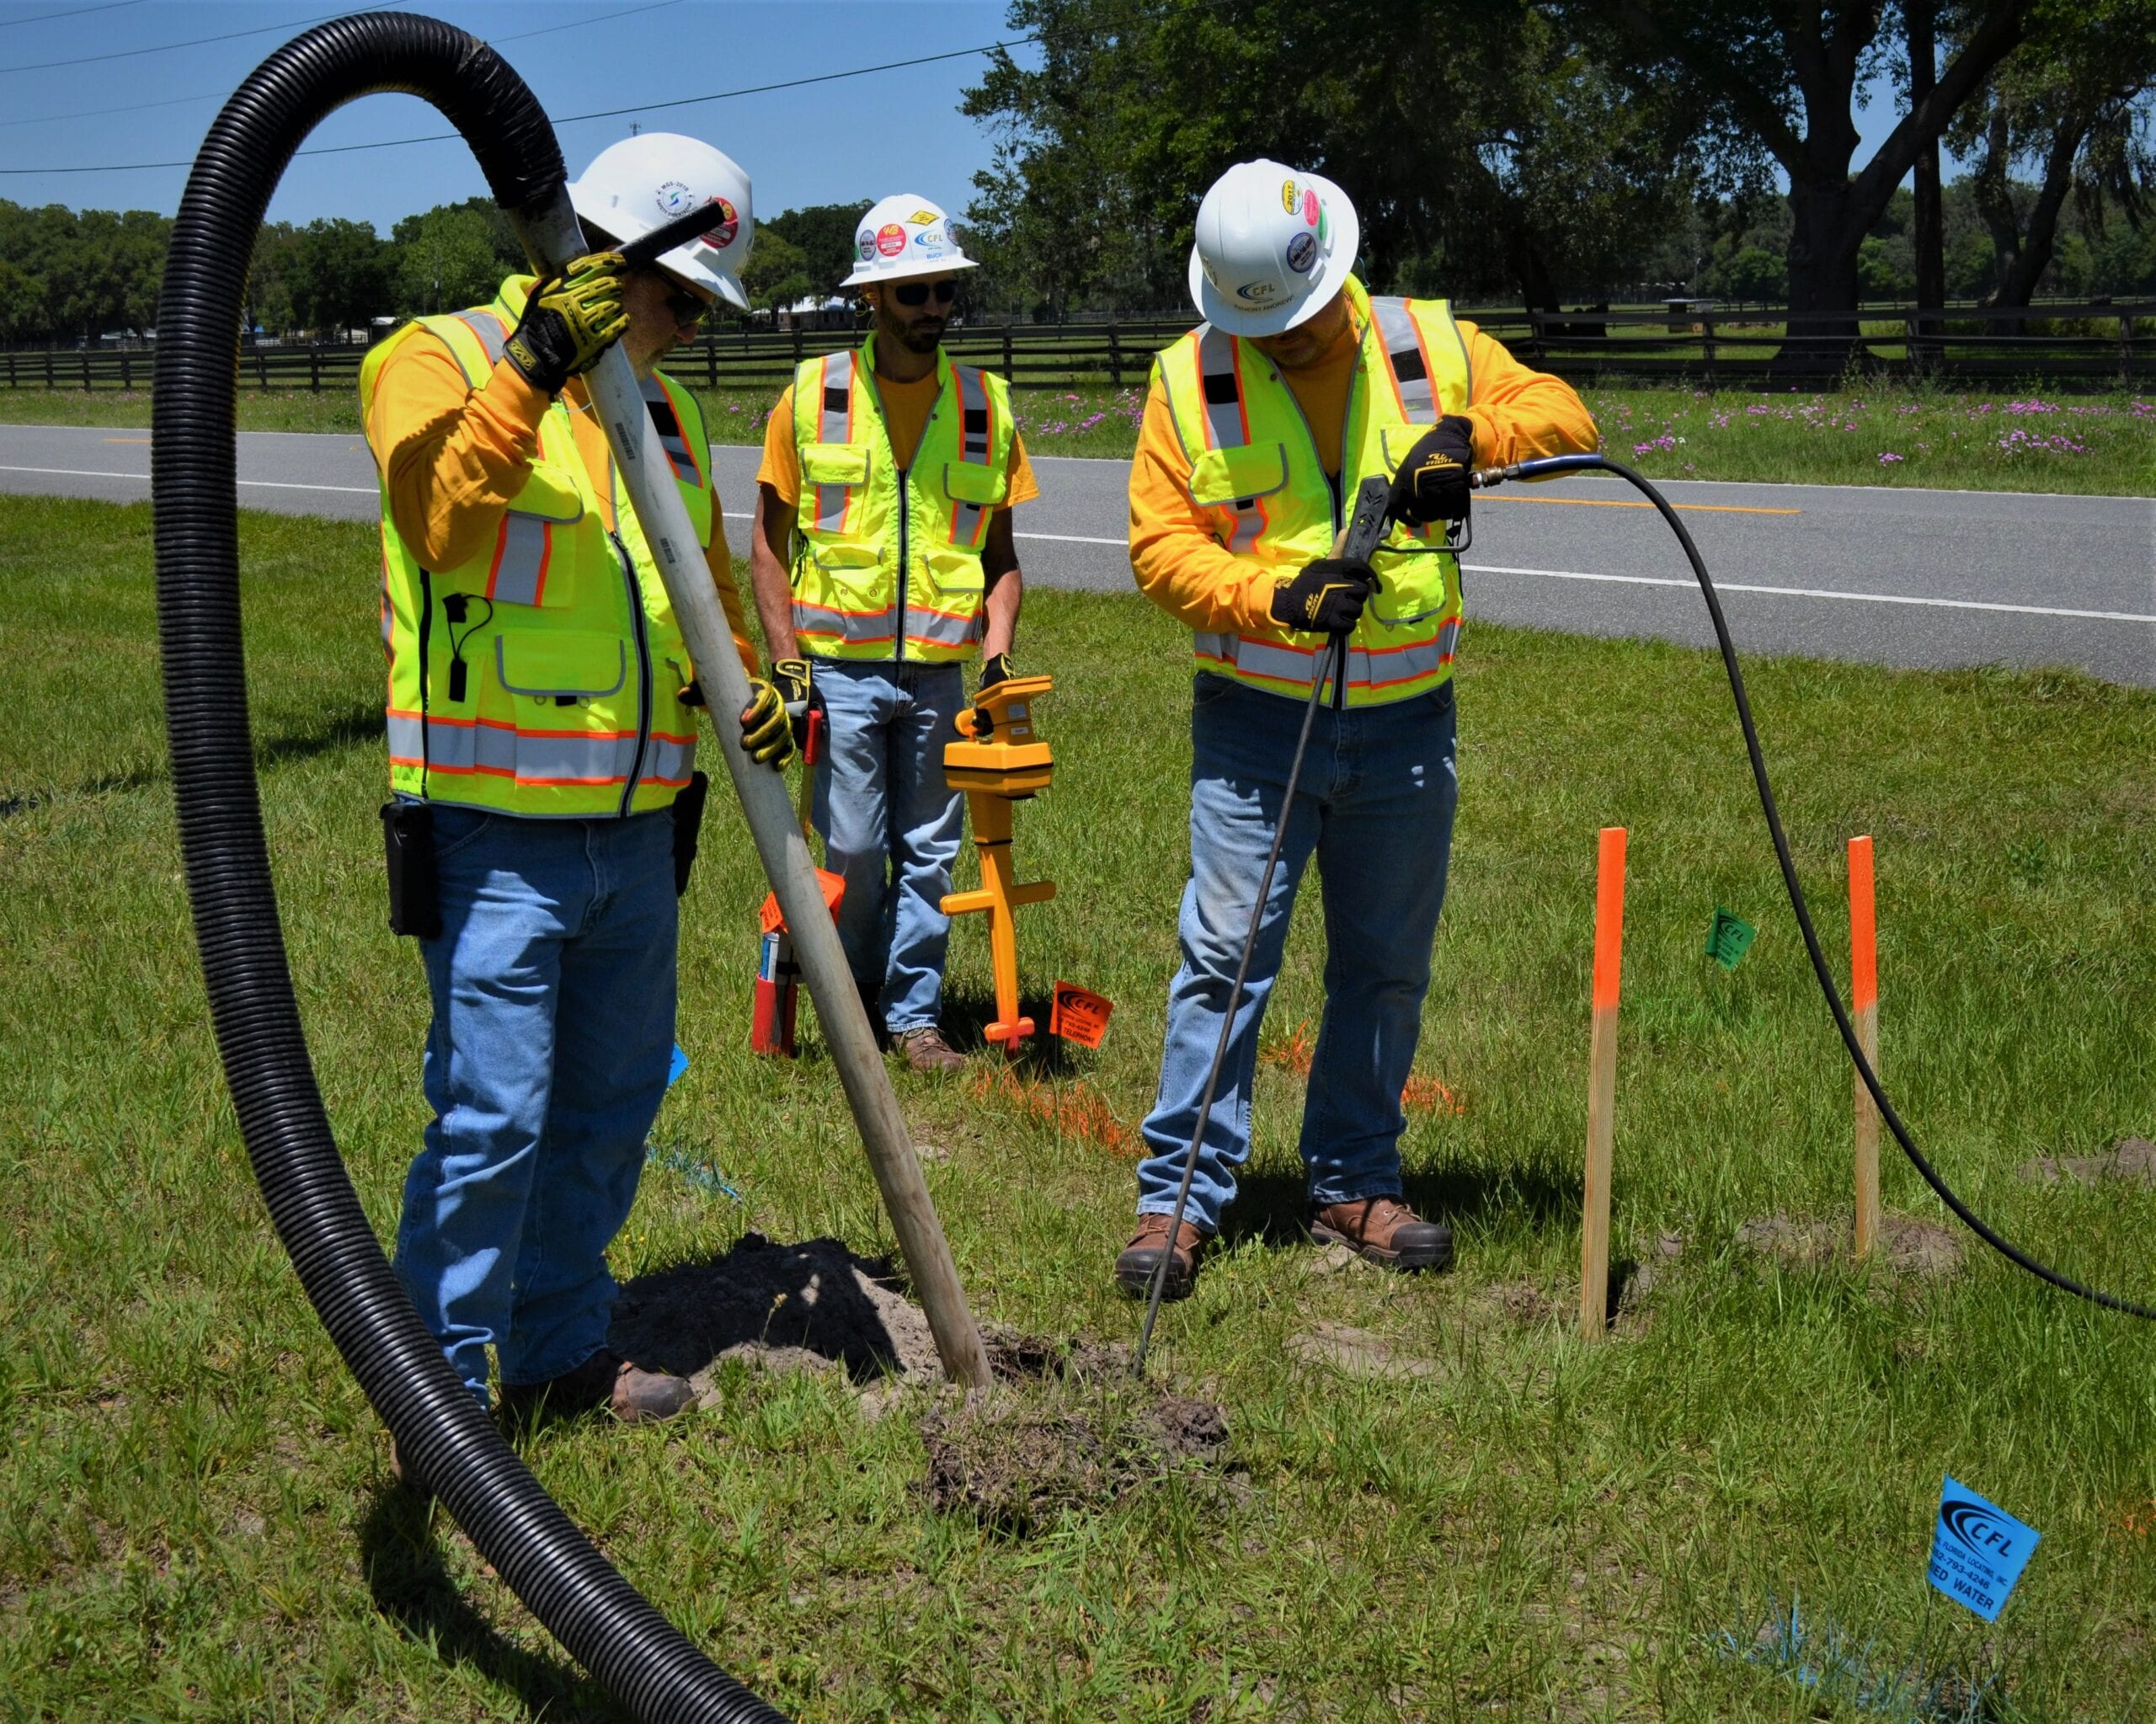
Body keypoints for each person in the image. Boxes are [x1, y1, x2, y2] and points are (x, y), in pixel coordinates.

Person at [361, 133, 796, 1432]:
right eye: (681, 298)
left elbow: (694, 583)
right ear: (615, 255)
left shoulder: (661, 407)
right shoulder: (432, 357)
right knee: (493, 1116)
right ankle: (437, 1392)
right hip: (494, 830)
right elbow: (436, 517)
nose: (690, 330)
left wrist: (746, 688)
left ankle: (555, 1345)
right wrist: (538, 367)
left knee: (611, 1106)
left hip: (642, 829)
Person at [1115, 159, 1598, 1300]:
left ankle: (1353, 1179)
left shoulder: (1430, 343)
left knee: (1385, 966)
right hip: (1256, 723)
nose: (1280, 342)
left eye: (1294, 320)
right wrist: (1270, 599)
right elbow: (1158, 545)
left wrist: (1469, 439)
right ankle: (1178, 1197)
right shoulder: (1186, 377)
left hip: (1406, 723)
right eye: (1258, 327)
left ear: (1332, 271)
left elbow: (1565, 410)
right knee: (1225, 960)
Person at [745, 195, 1038, 1073]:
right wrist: (787, 664)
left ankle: (911, 1021)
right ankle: (851, 996)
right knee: (858, 849)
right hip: (840, 670)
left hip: (941, 676)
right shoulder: (812, 394)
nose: (933, 310)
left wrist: (997, 652)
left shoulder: (986, 404)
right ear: (871, 298)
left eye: (944, 290)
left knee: (930, 852)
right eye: (913, 294)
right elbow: (767, 543)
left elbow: (1002, 557)